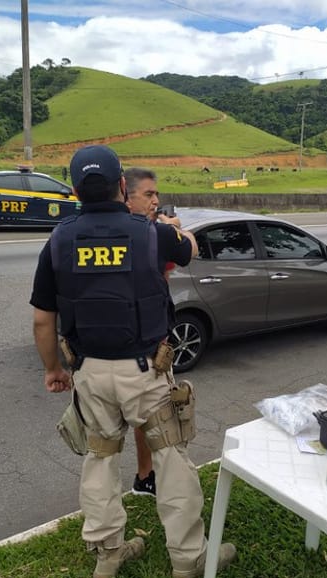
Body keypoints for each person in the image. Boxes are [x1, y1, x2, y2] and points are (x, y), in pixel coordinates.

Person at [30, 145, 235, 578]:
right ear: (123, 187)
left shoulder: (60, 239)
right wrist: (170, 225)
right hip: (145, 371)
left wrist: (53, 370)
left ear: (73, 190)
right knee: (170, 457)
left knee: (100, 458)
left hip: (88, 371)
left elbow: (43, 319)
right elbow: (189, 249)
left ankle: (108, 553)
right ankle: (188, 558)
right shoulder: (150, 232)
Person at [123, 167, 180, 497]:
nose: (156, 200)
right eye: (148, 194)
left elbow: (165, 279)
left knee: (142, 422)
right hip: (138, 349)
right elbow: (185, 254)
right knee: (156, 420)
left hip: (131, 346)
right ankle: (155, 480)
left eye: (156, 194)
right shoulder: (153, 234)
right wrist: (171, 232)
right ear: (125, 195)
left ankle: (146, 475)